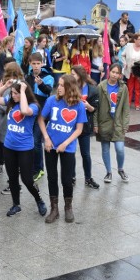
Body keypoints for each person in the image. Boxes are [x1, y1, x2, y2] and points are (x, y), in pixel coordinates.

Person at [0, 80, 48, 217]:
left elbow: (24, 111)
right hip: (9, 147)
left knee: (27, 179)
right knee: (13, 178)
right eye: (12, 93)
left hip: (25, 148)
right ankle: (16, 204)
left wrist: (21, 91)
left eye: (15, 93)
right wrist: (5, 87)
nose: (13, 95)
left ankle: (39, 200)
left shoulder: (34, 106)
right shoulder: (11, 102)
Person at [38, 74, 86, 223]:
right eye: (58, 84)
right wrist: (46, 138)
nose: (58, 88)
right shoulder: (51, 101)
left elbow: (79, 129)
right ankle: (54, 209)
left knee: (66, 179)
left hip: (68, 147)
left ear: (69, 88)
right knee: (52, 178)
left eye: (61, 85)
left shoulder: (79, 105)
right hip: (50, 146)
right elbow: (41, 119)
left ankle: (68, 207)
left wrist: (66, 143)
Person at [94, 63, 130, 184]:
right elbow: (96, 107)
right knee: (105, 148)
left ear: (120, 75)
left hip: (118, 123)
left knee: (120, 148)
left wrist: (125, 124)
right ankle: (108, 171)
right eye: (113, 72)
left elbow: (126, 108)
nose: (114, 75)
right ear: (109, 72)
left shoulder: (123, 88)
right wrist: (95, 124)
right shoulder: (101, 86)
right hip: (104, 122)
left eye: (117, 73)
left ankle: (120, 169)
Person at [26, 52, 54, 183]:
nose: (36, 66)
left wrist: (41, 84)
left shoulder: (48, 76)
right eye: (34, 64)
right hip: (30, 111)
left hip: (42, 114)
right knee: (31, 140)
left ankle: (39, 169)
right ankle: (32, 165)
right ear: (30, 64)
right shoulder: (28, 76)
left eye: (38, 63)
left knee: (37, 141)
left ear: (42, 64)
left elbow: (49, 90)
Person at [72, 65, 100, 189]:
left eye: (73, 74)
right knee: (70, 153)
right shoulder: (70, 87)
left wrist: (88, 106)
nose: (71, 76)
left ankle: (88, 178)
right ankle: (71, 176)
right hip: (71, 124)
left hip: (85, 125)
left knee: (85, 154)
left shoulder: (92, 90)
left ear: (80, 75)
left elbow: (94, 109)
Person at [123, 34, 140, 110]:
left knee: (138, 88)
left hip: (139, 71)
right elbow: (122, 55)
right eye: (139, 39)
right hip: (130, 70)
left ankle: (137, 104)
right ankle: (128, 103)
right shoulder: (128, 46)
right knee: (130, 88)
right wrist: (125, 63)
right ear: (135, 40)